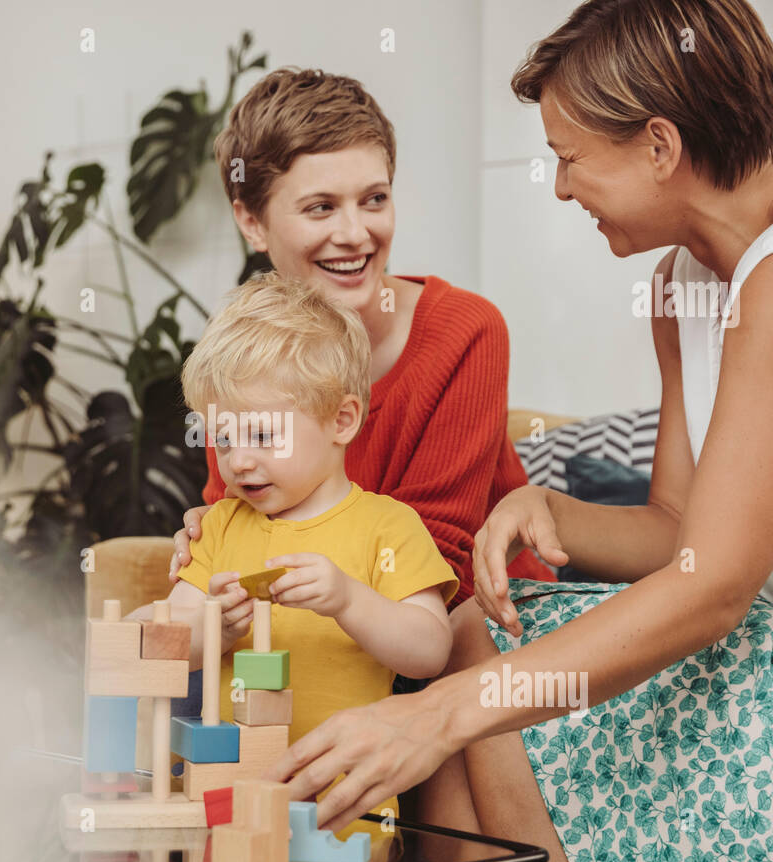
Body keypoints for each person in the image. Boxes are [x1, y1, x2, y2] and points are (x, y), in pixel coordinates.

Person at [265, 0, 773, 862]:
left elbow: (713, 591)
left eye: (569, 159)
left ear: (659, 148)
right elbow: (681, 534)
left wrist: (436, 713)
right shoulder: (683, 282)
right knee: (476, 638)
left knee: (475, 693)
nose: (561, 187)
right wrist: (549, 506)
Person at [168, 67, 556, 607]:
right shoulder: (242, 359)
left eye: (374, 199)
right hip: (323, 631)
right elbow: (239, 531)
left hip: (478, 625)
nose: (355, 234)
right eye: (321, 207)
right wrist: (217, 535)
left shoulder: (465, 332)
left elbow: (437, 569)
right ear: (251, 221)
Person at [129, 271, 458, 835]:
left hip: (342, 812)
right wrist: (215, 629)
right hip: (226, 808)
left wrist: (349, 599)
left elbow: (429, 652)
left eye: (262, 435)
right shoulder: (222, 525)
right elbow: (154, 646)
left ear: (342, 420)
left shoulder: (388, 527)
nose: (238, 462)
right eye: (224, 438)